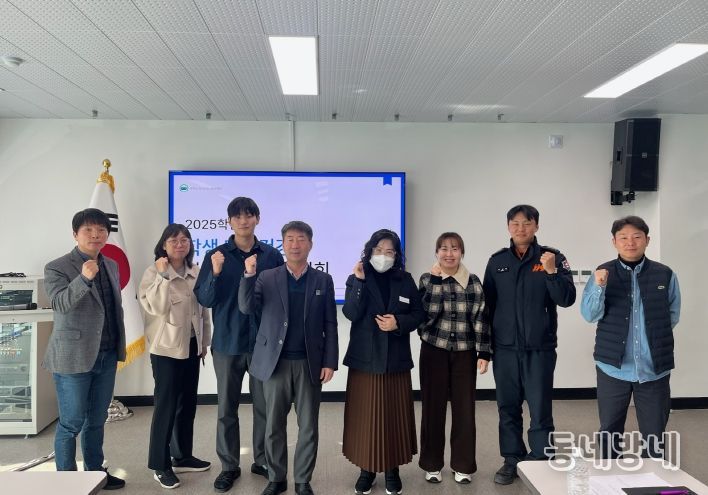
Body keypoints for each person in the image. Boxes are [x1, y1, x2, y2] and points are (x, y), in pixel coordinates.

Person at [238, 221, 338, 495]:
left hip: (309, 363)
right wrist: (248, 275)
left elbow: (330, 323)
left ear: (310, 244)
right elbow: (246, 307)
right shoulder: (266, 277)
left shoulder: (323, 280)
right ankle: (277, 478)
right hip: (274, 363)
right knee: (273, 425)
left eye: (301, 239)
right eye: (290, 239)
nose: (295, 244)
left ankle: (303, 480)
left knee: (308, 427)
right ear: (283, 244)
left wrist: (330, 361)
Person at [193, 197, 284, 493]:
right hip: (228, 342)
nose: (243, 221)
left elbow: (280, 299)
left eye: (249, 215)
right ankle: (229, 466)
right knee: (226, 408)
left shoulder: (272, 256)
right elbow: (205, 299)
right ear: (229, 221)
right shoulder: (216, 255)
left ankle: (262, 460)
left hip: (262, 344)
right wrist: (216, 273)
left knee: (264, 407)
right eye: (237, 216)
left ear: (257, 218)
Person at [482, 204, 576, 485]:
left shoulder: (553, 257)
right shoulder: (497, 261)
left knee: (540, 408)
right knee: (507, 408)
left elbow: (566, 298)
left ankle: (541, 460)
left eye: (527, 223)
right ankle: (512, 459)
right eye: (515, 223)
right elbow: (487, 307)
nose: (520, 228)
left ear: (536, 226)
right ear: (508, 227)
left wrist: (551, 273)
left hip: (540, 348)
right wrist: (486, 348)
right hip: (505, 348)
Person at [580, 216, 680, 459]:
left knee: (654, 433)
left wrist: (652, 338)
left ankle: (652, 475)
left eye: (636, 237)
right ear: (614, 241)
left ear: (647, 240)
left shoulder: (665, 274)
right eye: (623, 237)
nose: (630, 242)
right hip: (613, 367)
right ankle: (610, 474)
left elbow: (672, 315)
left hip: (654, 368)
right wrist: (599, 286)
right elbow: (590, 315)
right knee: (610, 430)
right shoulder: (602, 272)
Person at [43, 208, 126, 490]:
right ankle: (67, 482)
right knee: (71, 423)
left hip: (107, 354)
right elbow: (60, 304)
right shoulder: (57, 267)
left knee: (97, 420)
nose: (95, 235)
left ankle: (95, 473)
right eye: (88, 229)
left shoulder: (111, 264)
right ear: (75, 234)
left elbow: (111, 309)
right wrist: (84, 278)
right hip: (73, 357)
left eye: (101, 230)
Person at [341, 229, 425, 495]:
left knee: (393, 416)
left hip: (395, 360)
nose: (383, 256)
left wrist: (398, 322)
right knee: (364, 417)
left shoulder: (405, 279)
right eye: (379, 250)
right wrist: (359, 281)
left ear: (397, 256)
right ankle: (366, 470)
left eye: (389, 252)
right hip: (365, 360)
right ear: (369, 252)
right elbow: (351, 312)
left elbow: (418, 314)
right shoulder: (358, 276)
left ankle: (392, 470)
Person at [139, 224, 212, 489]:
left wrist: (204, 342)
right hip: (166, 349)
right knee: (166, 406)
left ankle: (182, 455)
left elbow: (203, 311)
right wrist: (163, 277)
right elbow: (157, 307)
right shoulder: (153, 272)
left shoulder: (195, 271)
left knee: (187, 403)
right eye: (174, 240)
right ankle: (159, 464)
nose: (180, 244)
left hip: (191, 346)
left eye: (185, 240)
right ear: (164, 245)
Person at [417, 232, 491, 485]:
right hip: (433, 350)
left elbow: (480, 317)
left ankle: (463, 465)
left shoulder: (473, 281)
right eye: (444, 248)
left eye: (455, 248)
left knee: (464, 410)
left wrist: (484, 352)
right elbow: (426, 314)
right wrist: (436, 282)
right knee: (432, 409)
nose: (449, 254)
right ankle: (431, 464)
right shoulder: (427, 279)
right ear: (437, 252)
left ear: (462, 253)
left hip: (464, 352)